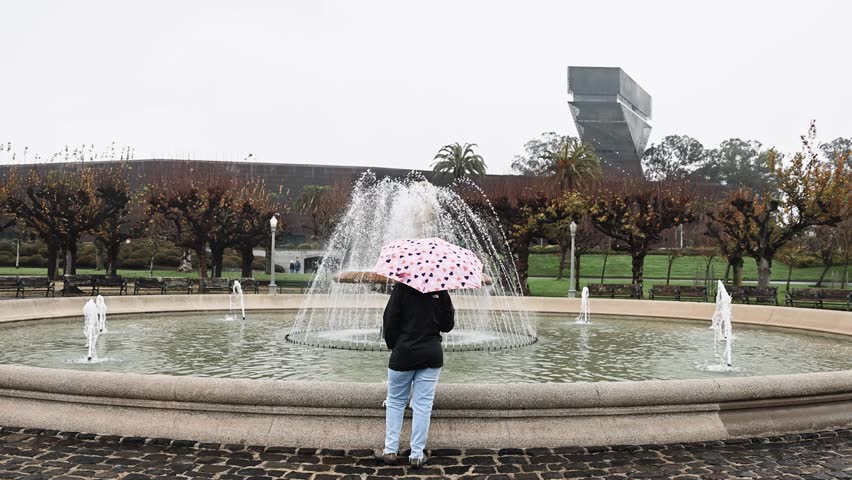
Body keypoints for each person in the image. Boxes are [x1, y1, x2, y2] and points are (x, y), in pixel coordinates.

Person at [380, 282, 454, 468]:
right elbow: (447, 325)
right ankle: (417, 455)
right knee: (423, 404)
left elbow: (389, 322)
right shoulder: (440, 288)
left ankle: (390, 451)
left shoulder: (401, 289)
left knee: (396, 401)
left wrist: (396, 346)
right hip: (432, 352)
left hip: (404, 352)